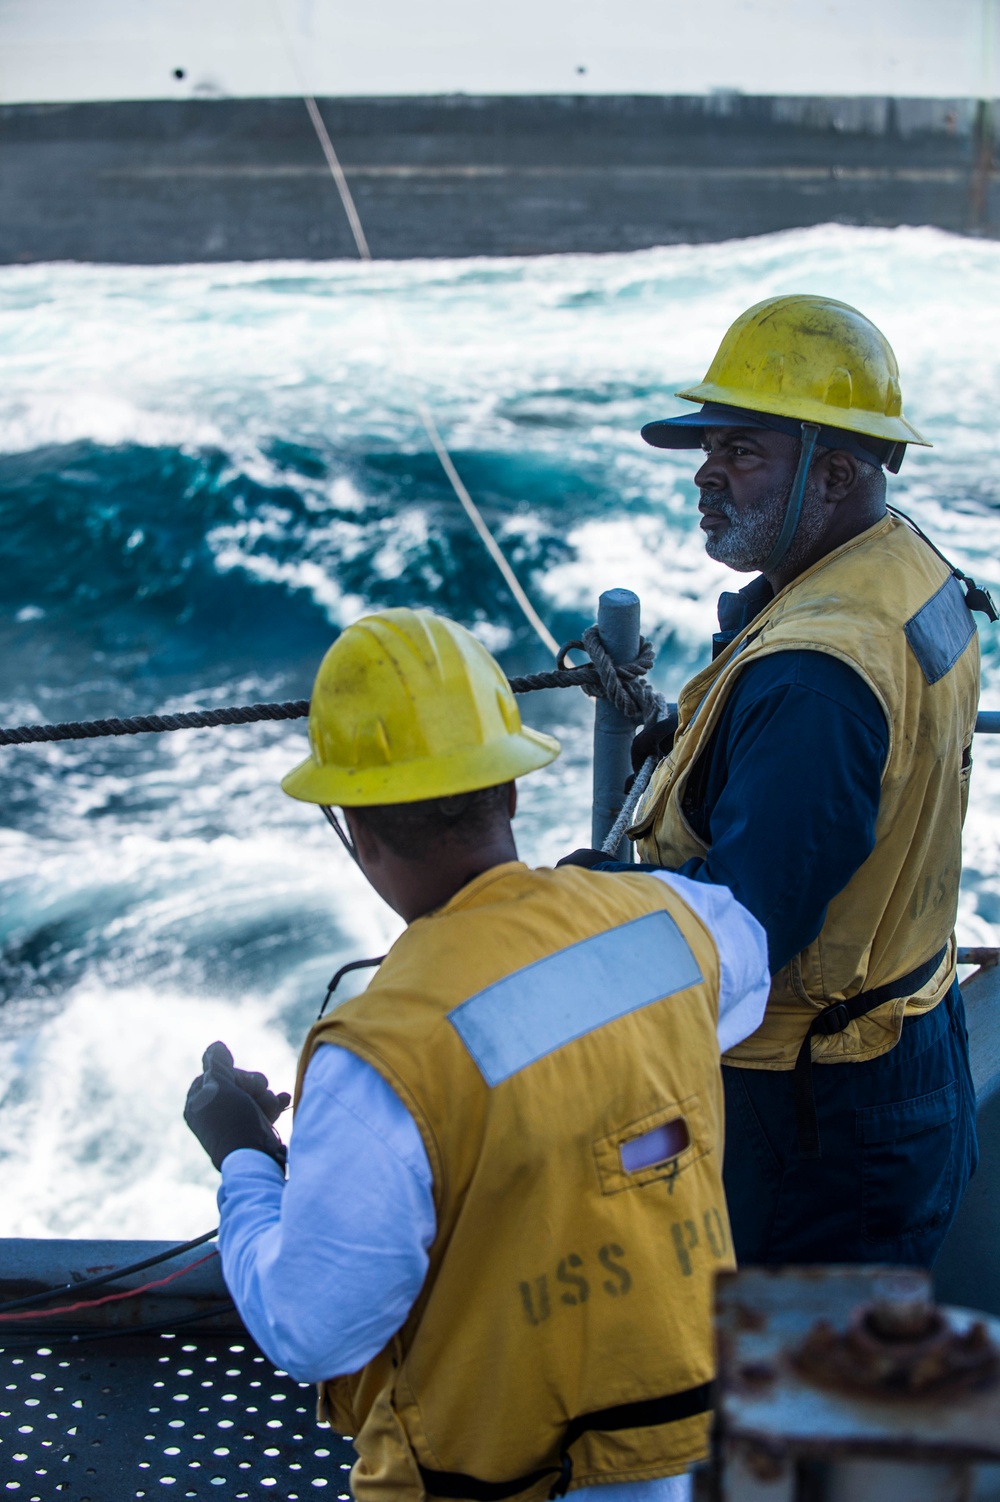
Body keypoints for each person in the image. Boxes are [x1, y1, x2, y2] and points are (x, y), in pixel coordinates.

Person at [183, 607, 769, 1502]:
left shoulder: (381, 1057)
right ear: (511, 792)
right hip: (671, 1451)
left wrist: (246, 1161)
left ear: (360, 833)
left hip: (491, 1477)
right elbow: (741, 977)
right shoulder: (678, 925)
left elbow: (315, 1330)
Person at [583, 294, 985, 1268]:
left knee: (799, 1394)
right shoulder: (903, 566)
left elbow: (745, 934)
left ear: (837, 473)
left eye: (743, 452)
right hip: (902, 1035)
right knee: (841, 1384)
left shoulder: (814, 679)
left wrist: (580, 906)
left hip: (814, 1113)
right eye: (709, 447)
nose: (706, 475)